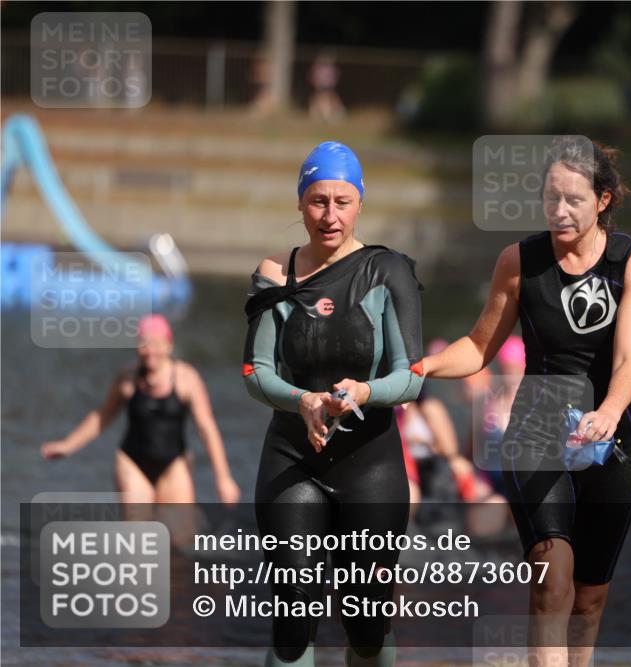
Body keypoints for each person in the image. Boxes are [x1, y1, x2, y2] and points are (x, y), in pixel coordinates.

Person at [414, 137, 631, 667]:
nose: (560, 211)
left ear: (603, 201)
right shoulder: (519, 261)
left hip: (612, 443)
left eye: (574, 199)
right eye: (551, 198)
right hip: (537, 436)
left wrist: (609, 412)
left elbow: (629, 360)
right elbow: (478, 347)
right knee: (552, 577)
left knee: (588, 600)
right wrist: (422, 366)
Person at [243, 141, 423, 667]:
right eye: (318, 201)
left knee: (366, 625)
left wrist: (365, 392)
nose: (329, 215)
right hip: (292, 462)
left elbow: (409, 378)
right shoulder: (276, 272)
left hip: (371, 464)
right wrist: (303, 401)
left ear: (360, 203)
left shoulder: (388, 271)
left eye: (342, 202)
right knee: (295, 614)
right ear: (300, 204)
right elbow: (256, 372)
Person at [40, 314, 241, 507]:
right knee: (141, 535)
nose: (150, 350)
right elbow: (103, 416)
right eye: (144, 343)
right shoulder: (127, 378)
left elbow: (206, 428)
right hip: (132, 462)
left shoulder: (186, 379)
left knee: (180, 537)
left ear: (168, 345)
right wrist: (67, 445)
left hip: (174, 463)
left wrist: (223, 478)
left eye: (156, 343)